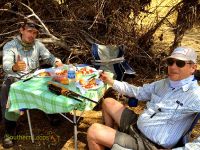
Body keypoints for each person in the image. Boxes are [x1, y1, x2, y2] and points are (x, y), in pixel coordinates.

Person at [87, 46, 200, 150]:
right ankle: (108, 143)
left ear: (193, 68)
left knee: (93, 131)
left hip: (149, 144)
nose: (172, 66)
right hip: (137, 126)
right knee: (108, 102)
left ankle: (107, 139)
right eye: (170, 62)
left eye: (180, 63)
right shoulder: (163, 83)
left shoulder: (195, 95)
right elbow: (138, 92)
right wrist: (111, 81)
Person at [1, 19, 63, 148]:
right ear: (22, 30)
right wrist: (14, 67)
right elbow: (6, 66)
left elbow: (48, 57)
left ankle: (50, 111)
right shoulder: (10, 45)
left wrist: (56, 62)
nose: (32, 35)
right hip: (16, 79)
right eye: (29, 31)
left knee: (51, 84)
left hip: (34, 79)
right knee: (10, 91)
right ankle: (10, 130)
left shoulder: (38, 45)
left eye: (35, 33)